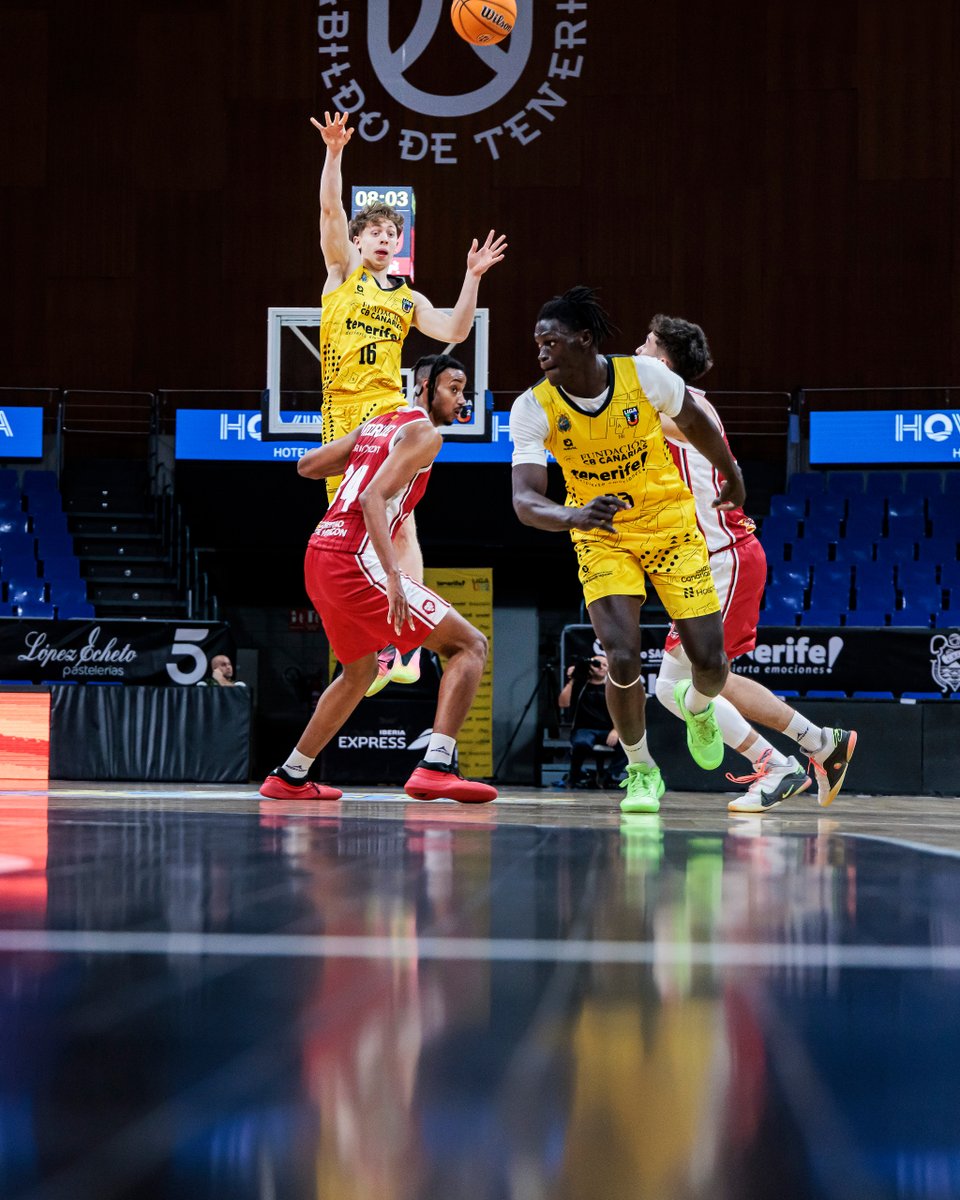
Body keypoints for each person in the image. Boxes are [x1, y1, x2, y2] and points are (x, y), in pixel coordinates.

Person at [510, 286, 746, 815]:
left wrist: (732, 470)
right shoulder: (532, 407)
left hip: (669, 522)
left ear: (585, 340)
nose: (541, 351)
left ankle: (700, 707)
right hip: (601, 533)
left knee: (711, 664)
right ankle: (641, 769)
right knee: (620, 655)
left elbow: (695, 420)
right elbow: (524, 500)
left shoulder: (644, 377)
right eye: (537, 343)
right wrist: (573, 515)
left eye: (551, 341)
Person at [311, 111, 506, 696]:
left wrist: (471, 278)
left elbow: (454, 328)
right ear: (357, 239)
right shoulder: (341, 274)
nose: (385, 240)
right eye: (375, 232)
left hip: (386, 413)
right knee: (348, 535)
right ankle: (370, 645)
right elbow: (328, 210)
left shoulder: (407, 296)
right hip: (338, 417)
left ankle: (406, 644)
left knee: (402, 524)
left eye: (393, 236)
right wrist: (335, 153)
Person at [635, 313, 857, 812]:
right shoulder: (664, 408)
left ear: (665, 361)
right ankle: (813, 747)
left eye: (646, 345)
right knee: (674, 687)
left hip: (725, 560)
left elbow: (634, 413)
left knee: (699, 679)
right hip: (697, 566)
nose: (637, 351)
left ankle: (791, 759)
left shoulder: (689, 410)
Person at [259, 354, 496, 805]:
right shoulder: (425, 432)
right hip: (354, 558)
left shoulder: (379, 423)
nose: (461, 399)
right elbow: (371, 497)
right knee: (469, 645)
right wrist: (392, 575)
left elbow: (307, 466)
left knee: (359, 672)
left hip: (318, 555)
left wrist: (361, 457)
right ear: (424, 387)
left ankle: (290, 775)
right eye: (454, 388)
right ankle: (436, 766)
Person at [557, 649, 627, 788]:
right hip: (585, 729)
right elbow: (563, 703)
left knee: (629, 745)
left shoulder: (612, 687)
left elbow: (622, 711)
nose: (601, 667)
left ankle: (608, 776)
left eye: (605, 665)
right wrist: (573, 679)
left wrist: (616, 730)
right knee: (581, 743)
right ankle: (574, 775)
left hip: (608, 730)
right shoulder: (580, 685)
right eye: (597, 664)